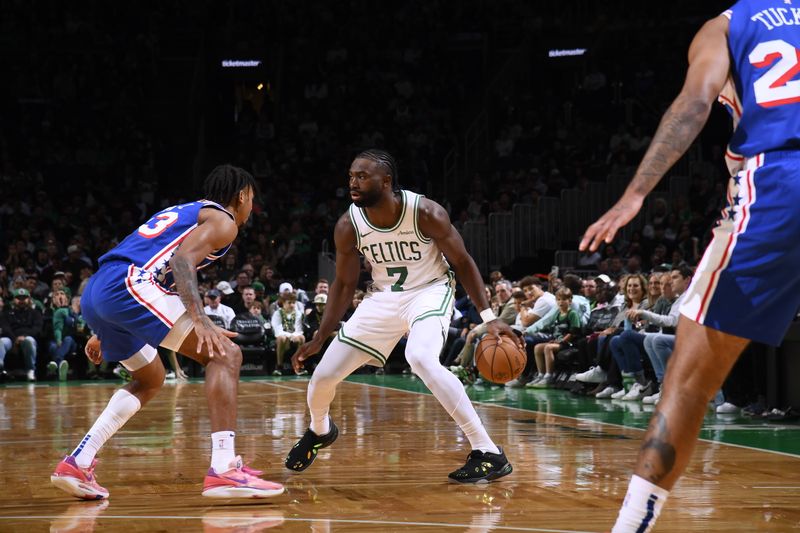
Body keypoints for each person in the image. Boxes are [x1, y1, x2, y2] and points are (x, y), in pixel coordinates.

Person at [581, 4, 800, 531]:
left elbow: (694, 102)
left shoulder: (728, 25)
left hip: (779, 184)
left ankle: (631, 525)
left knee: (686, 385)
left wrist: (634, 194)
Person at [50, 165, 283, 500]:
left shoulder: (184, 210)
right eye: (251, 200)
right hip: (129, 285)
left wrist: (106, 326)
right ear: (242, 195)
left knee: (150, 379)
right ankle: (224, 468)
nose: (250, 208)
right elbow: (181, 262)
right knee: (225, 354)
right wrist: (201, 319)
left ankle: (79, 461)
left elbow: (155, 260)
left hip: (100, 289)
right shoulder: (224, 220)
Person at [286, 149, 521, 482]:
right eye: (351, 175)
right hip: (383, 299)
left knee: (420, 357)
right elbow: (344, 282)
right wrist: (320, 336)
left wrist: (487, 316)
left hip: (430, 291)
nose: (353, 182)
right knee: (323, 377)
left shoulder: (425, 212)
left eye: (362, 176)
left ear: (386, 181)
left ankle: (489, 452)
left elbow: (463, 261)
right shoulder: (348, 224)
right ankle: (320, 430)